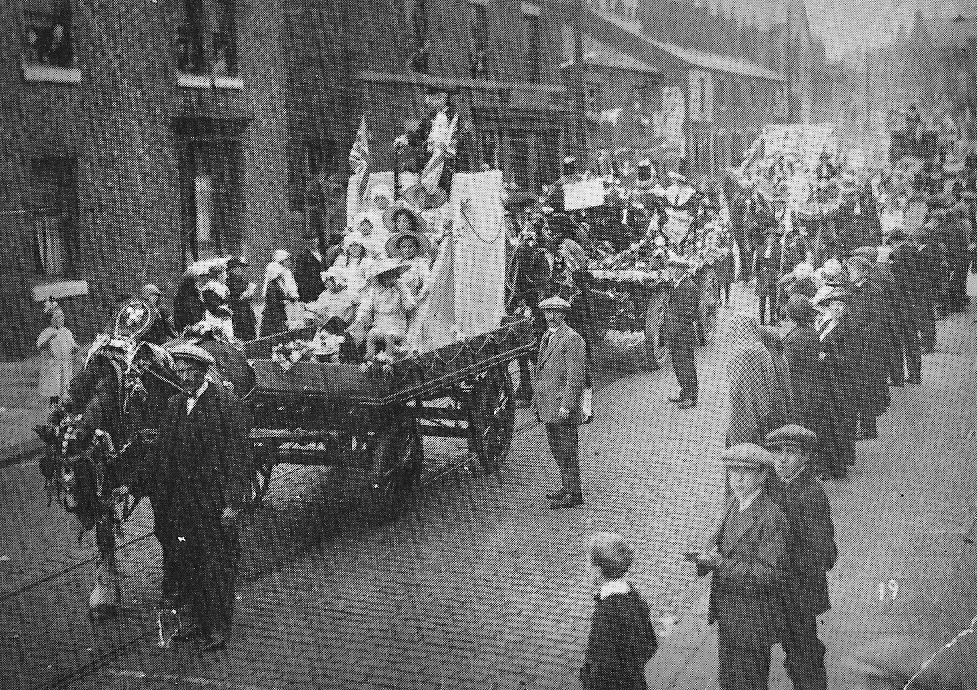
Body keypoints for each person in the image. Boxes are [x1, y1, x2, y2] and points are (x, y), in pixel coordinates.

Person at [153, 343, 252, 652]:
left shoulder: (225, 404)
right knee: (189, 561)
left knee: (216, 563)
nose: (181, 376)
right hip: (183, 501)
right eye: (178, 370)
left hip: (212, 502)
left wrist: (232, 503)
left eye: (187, 370)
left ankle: (219, 625)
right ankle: (196, 620)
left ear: (201, 370)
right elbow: (164, 456)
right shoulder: (174, 406)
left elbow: (237, 457)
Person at [688, 443, 788, 690]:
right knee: (729, 679)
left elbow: (768, 574)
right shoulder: (734, 501)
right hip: (727, 611)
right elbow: (720, 541)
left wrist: (720, 563)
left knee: (749, 681)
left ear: (763, 475)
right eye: (733, 471)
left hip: (752, 617)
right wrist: (705, 557)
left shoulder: (771, 517)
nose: (738, 478)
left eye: (747, 472)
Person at [764, 425, 838, 690]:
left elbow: (825, 554)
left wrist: (784, 564)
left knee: (803, 655)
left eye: (790, 452)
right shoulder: (774, 485)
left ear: (806, 457)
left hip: (800, 593)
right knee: (793, 651)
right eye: (777, 452)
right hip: (780, 589)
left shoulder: (811, 494)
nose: (781, 459)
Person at [580, 533, 658, 690]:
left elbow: (600, 665)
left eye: (588, 563)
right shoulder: (633, 596)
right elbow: (650, 644)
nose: (586, 567)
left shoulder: (605, 611)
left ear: (597, 570)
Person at [531, 296, 586, 509]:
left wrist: (567, 405)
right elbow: (541, 372)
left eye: (556, 313)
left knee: (567, 450)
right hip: (549, 406)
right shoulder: (548, 336)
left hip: (561, 407)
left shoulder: (572, 339)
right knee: (557, 449)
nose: (551, 317)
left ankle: (574, 494)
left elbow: (576, 377)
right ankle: (567, 486)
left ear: (563, 315)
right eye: (548, 312)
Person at [813, 288, 858, 478]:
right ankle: (825, 463)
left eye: (840, 306)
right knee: (825, 423)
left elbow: (851, 359)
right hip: (825, 380)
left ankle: (835, 467)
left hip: (839, 383)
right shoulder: (827, 323)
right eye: (833, 305)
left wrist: (827, 357)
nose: (836, 309)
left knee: (835, 423)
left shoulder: (848, 329)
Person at [845, 255, 891, 439]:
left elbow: (877, 321)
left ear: (863, 271)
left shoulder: (874, 292)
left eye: (852, 271)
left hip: (867, 347)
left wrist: (863, 337)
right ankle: (861, 426)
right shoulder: (852, 289)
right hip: (855, 344)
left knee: (865, 388)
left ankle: (868, 428)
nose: (849, 274)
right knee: (857, 388)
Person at [725, 314, 783, 447]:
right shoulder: (762, 350)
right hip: (764, 409)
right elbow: (771, 381)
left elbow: (736, 390)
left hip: (743, 411)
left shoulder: (737, 355)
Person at [351, 259, 417, 364]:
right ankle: (370, 357)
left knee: (389, 336)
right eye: (387, 276)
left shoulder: (401, 289)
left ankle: (388, 358)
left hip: (397, 326)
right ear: (381, 277)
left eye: (393, 276)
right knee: (371, 335)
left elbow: (410, 306)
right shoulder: (375, 291)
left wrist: (401, 291)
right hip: (379, 325)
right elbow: (365, 307)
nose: (390, 279)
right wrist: (359, 320)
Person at [782, 295, 822, 443]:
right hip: (809, 384)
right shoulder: (810, 332)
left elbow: (787, 365)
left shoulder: (796, 338)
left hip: (797, 388)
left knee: (796, 427)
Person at [887, 229, 923, 385]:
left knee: (897, 340)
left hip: (901, 303)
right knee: (912, 340)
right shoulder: (914, 251)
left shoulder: (898, 255)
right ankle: (915, 374)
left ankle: (898, 377)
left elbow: (897, 281)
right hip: (914, 301)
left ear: (895, 241)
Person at [665, 256, 699, 409]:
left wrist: (675, 330)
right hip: (676, 333)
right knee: (679, 364)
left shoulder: (688, 286)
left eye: (672, 268)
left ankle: (691, 397)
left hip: (682, 334)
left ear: (680, 270)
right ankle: (685, 393)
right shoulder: (679, 284)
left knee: (686, 364)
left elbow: (689, 313)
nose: (670, 270)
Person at [37, 307, 77, 411]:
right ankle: (53, 411)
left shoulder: (66, 331)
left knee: (66, 389)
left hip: (65, 364)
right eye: (58, 317)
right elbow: (40, 346)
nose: (62, 319)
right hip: (53, 366)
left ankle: (63, 413)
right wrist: (49, 338)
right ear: (52, 319)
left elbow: (73, 345)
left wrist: (76, 349)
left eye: (62, 316)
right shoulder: (47, 332)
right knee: (54, 390)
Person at [386, 227, 432, 302]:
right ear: (399, 249)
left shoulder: (421, 263)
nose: (407, 250)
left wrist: (418, 297)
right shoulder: (396, 264)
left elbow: (427, 282)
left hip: (415, 298)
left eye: (410, 247)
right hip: (397, 300)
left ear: (416, 247)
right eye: (403, 247)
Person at [260, 250, 299, 337]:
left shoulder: (287, 274)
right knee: (276, 333)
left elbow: (291, 291)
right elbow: (273, 299)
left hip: (285, 309)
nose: (289, 262)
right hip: (275, 313)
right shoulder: (273, 284)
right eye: (287, 260)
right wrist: (286, 300)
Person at [332, 232, 374, 301]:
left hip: (362, 295)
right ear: (347, 248)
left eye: (356, 245)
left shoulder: (367, 262)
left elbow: (369, 283)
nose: (354, 248)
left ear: (361, 247)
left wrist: (359, 295)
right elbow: (336, 277)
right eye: (351, 246)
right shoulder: (341, 260)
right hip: (343, 295)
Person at [225, 257, 256, 342]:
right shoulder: (233, 281)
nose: (241, 270)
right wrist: (246, 295)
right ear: (233, 269)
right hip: (241, 315)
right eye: (239, 267)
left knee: (244, 338)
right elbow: (236, 299)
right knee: (245, 339)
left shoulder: (236, 280)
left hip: (243, 314)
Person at [292, 230, 327, 303]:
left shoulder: (322, 254)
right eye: (310, 240)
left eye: (315, 239)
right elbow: (299, 275)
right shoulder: (302, 256)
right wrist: (305, 291)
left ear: (318, 240)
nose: (313, 241)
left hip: (323, 289)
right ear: (307, 242)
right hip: (311, 291)